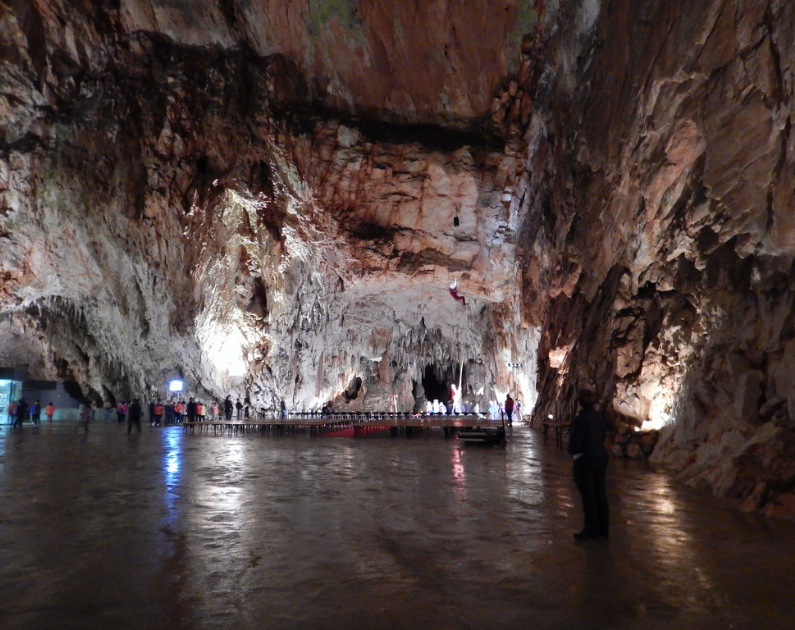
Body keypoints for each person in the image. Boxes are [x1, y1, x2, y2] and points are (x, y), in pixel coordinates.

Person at [567, 389, 610, 540]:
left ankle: (590, 530)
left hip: (585, 459)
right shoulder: (599, 417)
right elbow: (604, 434)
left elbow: (574, 443)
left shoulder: (581, 419)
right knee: (600, 493)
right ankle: (603, 530)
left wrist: (572, 451)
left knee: (588, 496)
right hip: (601, 456)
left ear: (580, 403)